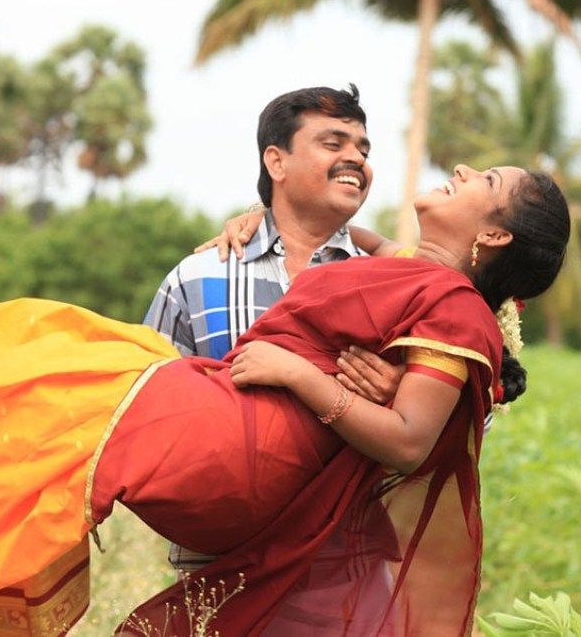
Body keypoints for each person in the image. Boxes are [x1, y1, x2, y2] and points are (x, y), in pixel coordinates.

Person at [0, 163, 570, 636]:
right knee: (52, 345)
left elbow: (408, 439)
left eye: (486, 181)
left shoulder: (457, 311)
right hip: (237, 410)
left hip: (253, 437)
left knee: (56, 366)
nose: (462, 170)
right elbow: (369, 252)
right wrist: (260, 215)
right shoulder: (416, 270)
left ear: (496, 234)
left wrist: (305, 379)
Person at [143, 85, 404, 576]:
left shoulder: (396, 286)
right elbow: (144, 415)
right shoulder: (198, 279)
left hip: (347, 573)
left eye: (364, 149)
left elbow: (462, 424)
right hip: (218, 570)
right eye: (334, 143)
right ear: (276, 162)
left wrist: (404, 396)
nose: (355, 158)